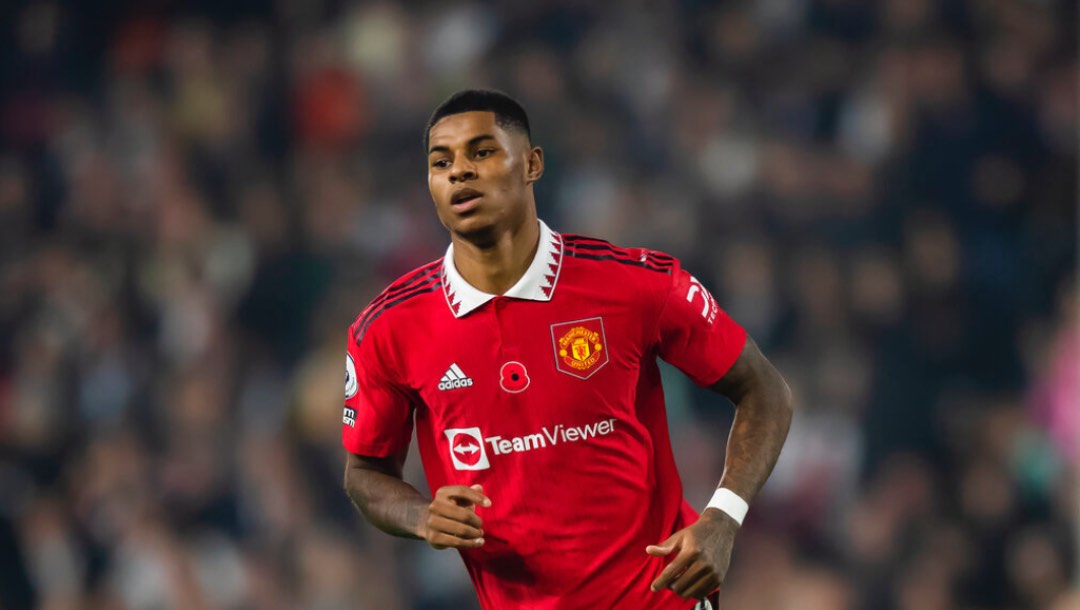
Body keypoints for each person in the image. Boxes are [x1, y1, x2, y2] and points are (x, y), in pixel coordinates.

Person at [342, 89, 793, 610]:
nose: (458, 172)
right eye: (441, 162)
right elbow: (365, 473)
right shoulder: (388, 328)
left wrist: (723, 517)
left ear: (532, 164)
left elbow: (765, 390)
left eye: (481, 152)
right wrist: (420, 516)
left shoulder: (633, 285)